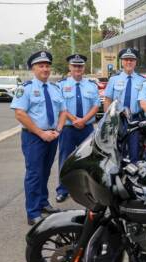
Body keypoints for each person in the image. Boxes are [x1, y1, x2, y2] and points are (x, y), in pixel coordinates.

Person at [10, 51, 66, 225]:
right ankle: (32, 212)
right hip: (34, 137)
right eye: (41, 66)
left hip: (52, 135)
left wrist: (58, 129)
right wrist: (41, 133)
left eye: (47, 65)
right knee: (34, 174)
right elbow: (20, 114)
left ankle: (43, 203)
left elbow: (63, 111)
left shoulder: (55, 88)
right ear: (33, 69)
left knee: (45, 172)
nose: (45, 69)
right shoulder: (25, 88)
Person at [55, 54, 100, 203]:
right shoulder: (60, 85)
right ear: (70, 67)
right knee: (65, 159)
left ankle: (88, 189)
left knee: (89, 159)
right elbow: (60, 106)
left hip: (86, 128)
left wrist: (84, 120)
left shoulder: (91, 85)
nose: (77, 69)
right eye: (74, 66)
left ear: (84, 68)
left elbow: (96, 105)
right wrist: (74, 120)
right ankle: (62, 190)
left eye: (80, 66)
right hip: (68, 129)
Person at [103, 48, 146, 162]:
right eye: (126, 60)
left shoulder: (143, 80)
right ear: (122, 61)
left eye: (131, 60)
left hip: (135, 121)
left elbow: (145, 102)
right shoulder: (113, 79)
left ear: (136, 62)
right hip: (118, 120)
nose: (129, 62)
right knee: (117, 152)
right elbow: (107, 100)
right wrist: (108, 120)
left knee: (135, 152)